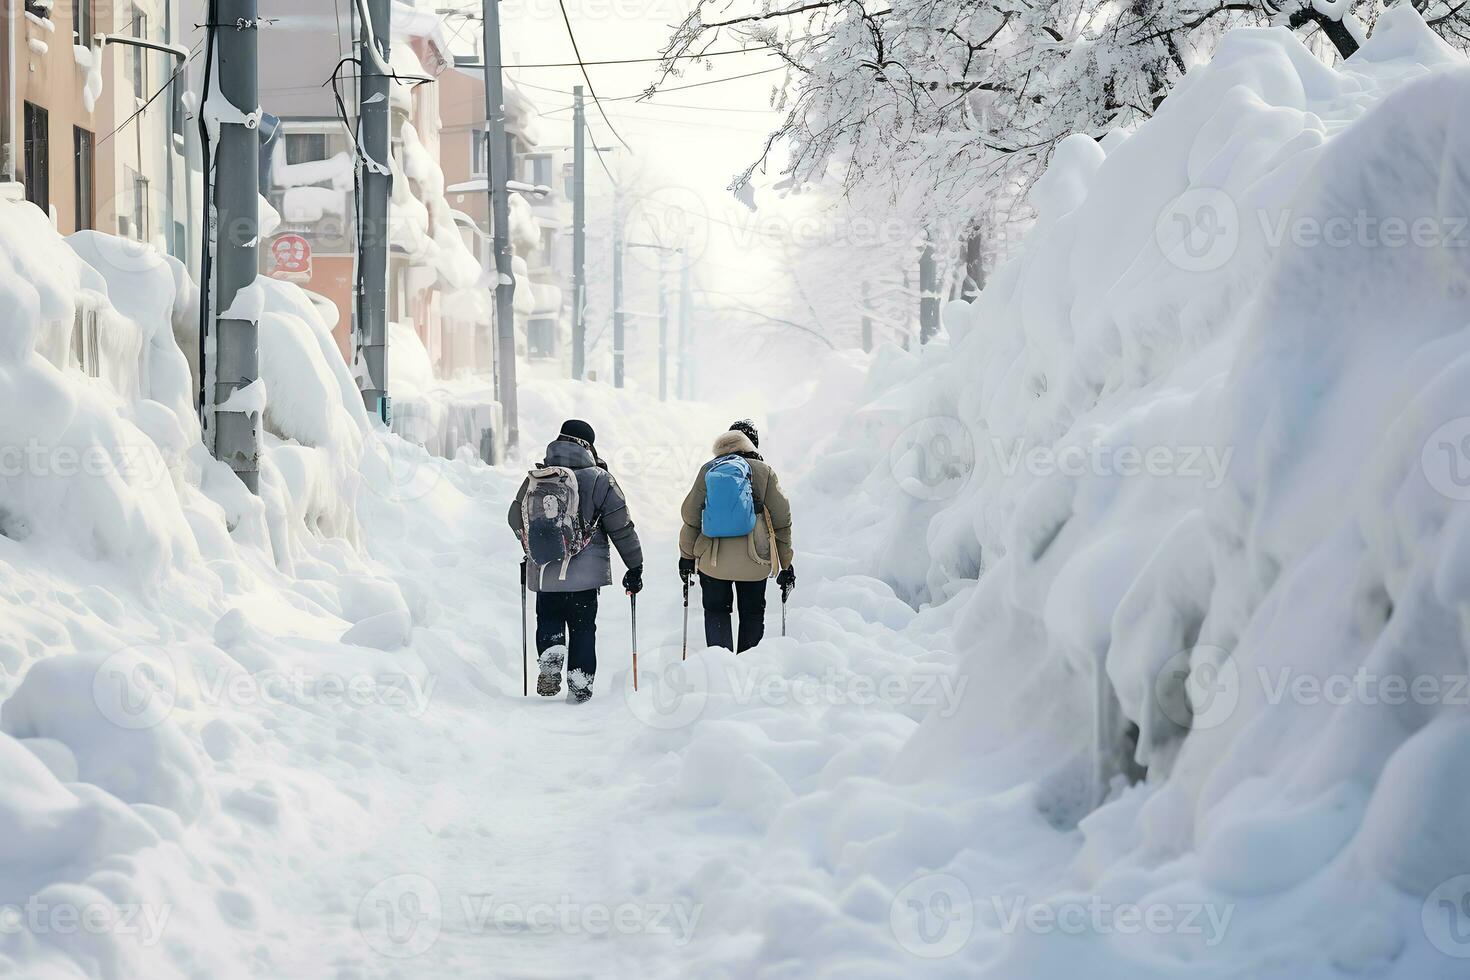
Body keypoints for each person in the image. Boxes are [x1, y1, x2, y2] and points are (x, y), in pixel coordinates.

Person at [510, 420, 643, 703]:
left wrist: (531, 542)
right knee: (583, 626)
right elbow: (621, 527)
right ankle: (580, 680)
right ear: (588, 446)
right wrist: (634, 565)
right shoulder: (599, 479)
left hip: (545, 570)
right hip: (584, 577)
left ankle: (550, 654)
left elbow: (514, 516)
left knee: (548, 618)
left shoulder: (538, 477)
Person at [679, 420, 795, 652]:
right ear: (754, 444)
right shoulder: (764, 472)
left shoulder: (708, 470)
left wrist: (686, 557)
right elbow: (782, 520)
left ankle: (720, 665)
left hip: (713, 560)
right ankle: (748, 665)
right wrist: (786, 564)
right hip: (755, 559)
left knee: (716, 610)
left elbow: (691, 516)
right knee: (752, 613)